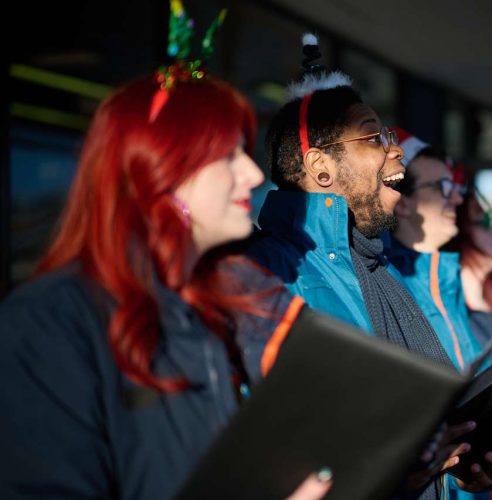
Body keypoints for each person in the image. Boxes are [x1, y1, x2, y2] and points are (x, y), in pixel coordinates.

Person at [0, 4, 330, 498]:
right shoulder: (48, 323)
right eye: (226, 155)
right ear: (162, 170)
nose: (254, 175)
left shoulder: (218, 313)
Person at [247, 36, 492, 498]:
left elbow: (428, 448)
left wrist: (466, 478)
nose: (396, 154)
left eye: (390, 138)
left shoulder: (379, 267)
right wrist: (393, 480)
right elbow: (272, 464)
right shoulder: (269, 278)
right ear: (321, 167)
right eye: (374, 138)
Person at [385, 130, 492, 500]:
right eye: (442, 186)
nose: (457, 195)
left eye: (456, 186)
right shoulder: (389, 290)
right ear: (402, 203)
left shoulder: (444, 283)